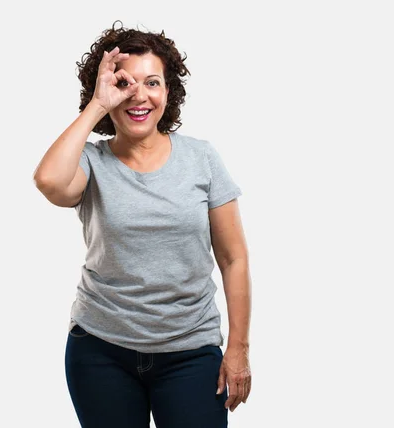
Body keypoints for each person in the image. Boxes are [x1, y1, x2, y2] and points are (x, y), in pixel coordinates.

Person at [32, 21, 252, 428]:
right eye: (124, 83)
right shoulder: (91, 162)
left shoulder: (201, 159)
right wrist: (97, 105)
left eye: (152, 82)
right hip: (101, 350)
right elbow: (49, 181)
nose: (139, 95)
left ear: (168, 92)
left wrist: (237, 348)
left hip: (190, 350)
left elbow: (233, 257)